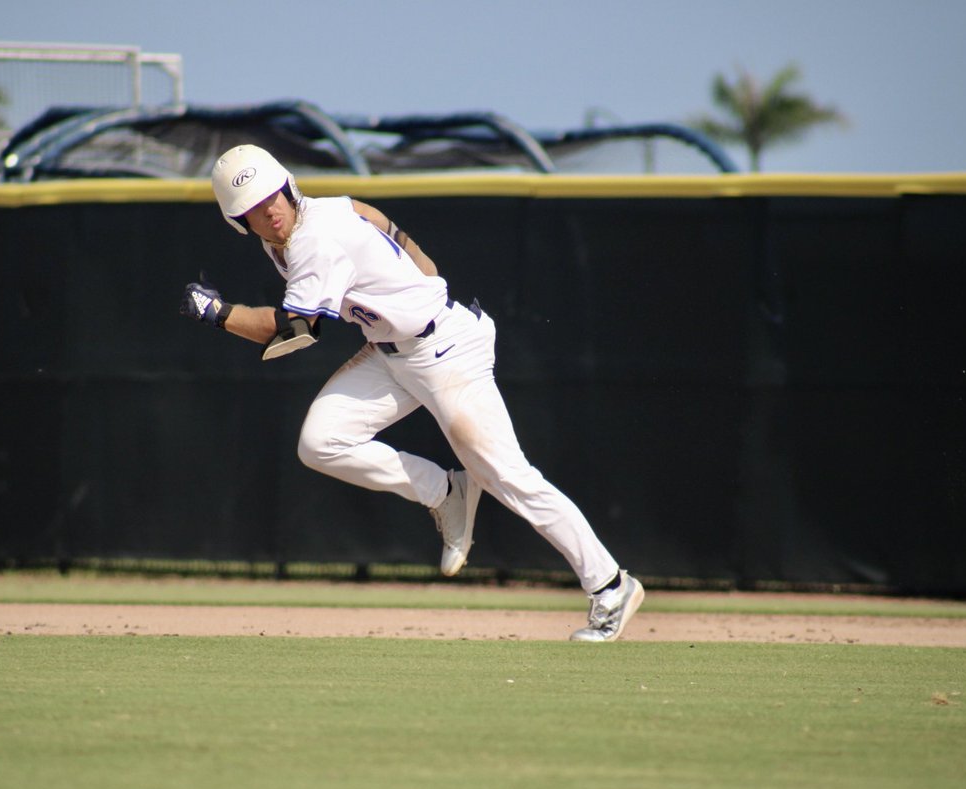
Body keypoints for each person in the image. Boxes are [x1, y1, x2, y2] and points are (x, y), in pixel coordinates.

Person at [180, 144, 644, 642]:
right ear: (239, 221)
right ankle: (446, 491)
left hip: (445, 351)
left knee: (508, 476)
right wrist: (421, 264)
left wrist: (218, 314)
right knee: (320, 442)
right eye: (252, 206)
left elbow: (295, 331)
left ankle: (611, 585)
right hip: (388, 353)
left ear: (287, 184)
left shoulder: (312, 238)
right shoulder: (313, 216)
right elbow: (368, 213)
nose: (269, 208)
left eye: (272, 193)